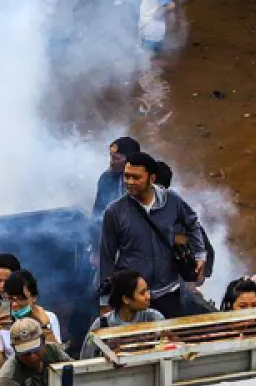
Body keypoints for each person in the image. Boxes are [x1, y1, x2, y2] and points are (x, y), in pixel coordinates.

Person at [99, 151, 207, 319]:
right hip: (133, 298)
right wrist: (105, 301)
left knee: (168, 341)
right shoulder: (114, 212)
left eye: (136, 177)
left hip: (168, 292)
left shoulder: (172, 201)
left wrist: (201, 254)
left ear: (152, 178)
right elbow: (107, 257)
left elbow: (192, 223)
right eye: (126, 177)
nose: (129, 182)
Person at [0, 270, 63, 372]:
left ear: (34, 297)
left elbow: (57, 360)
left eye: (21, 299)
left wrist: (44, 327)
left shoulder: (49, 318)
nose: (14, 304)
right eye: (10, 299)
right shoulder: (0, 323)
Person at [79, 270, 164, 359]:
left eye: (147, 290)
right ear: (126, 299)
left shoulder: (154, 318)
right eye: (142, 293)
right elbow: (86, 360)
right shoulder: (101, 325)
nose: (148, 296)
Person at [92, 136, 140, 221]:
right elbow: (97, 213)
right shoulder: (106, 178)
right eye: (111, 157)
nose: (111, 162)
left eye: (116, 159)